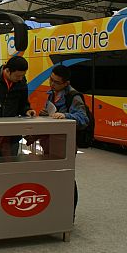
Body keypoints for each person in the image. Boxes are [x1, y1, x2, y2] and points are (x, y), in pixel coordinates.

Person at [39, 64, 89, 221]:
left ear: (66, 83)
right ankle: (54, 210)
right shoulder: (51, 94)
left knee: (66, 178)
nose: (51, 84)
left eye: (56, 82)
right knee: (51, 177)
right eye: (50, 80)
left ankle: (69, 215)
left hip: (65, 143)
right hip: (49, 142)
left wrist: (65, 115)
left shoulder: (74, 97)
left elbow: (83, 118)